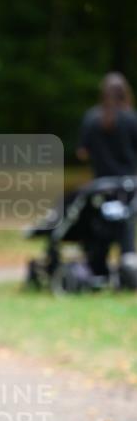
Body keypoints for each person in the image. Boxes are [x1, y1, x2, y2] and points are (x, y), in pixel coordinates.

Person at [76, 71, 137, 275]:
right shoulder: (131, 118)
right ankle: (128, 263)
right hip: (128, 185)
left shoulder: (92, 118)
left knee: (101, 223)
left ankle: (98, 265)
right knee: (125, 223)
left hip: (100, 186)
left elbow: (82, 153)